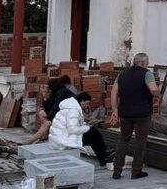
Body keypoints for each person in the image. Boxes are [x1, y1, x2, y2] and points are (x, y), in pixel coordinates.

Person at [109, 52, 160, 180]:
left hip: (125, 113)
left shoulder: (122, 74)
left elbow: (114, 91)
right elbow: (153, 89)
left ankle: (117, 171)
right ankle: (136, 171)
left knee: (123, 140)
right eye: (147, 63)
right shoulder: (147, 74)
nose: (148, 65)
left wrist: (115, 110)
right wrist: (158, 94)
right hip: (142, 113)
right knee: (140, 141)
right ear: (143, 63)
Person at [45, 77, 110, 166]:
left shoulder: (71, 105)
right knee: (93, 134)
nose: (87, 106)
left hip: (61, 136)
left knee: (93, 135)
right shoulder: (73, 110)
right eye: (86, 103)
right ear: (81, 101)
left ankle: (103, 156)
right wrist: (87, 127)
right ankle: (103, 157)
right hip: (64, 139)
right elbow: (73, 129)